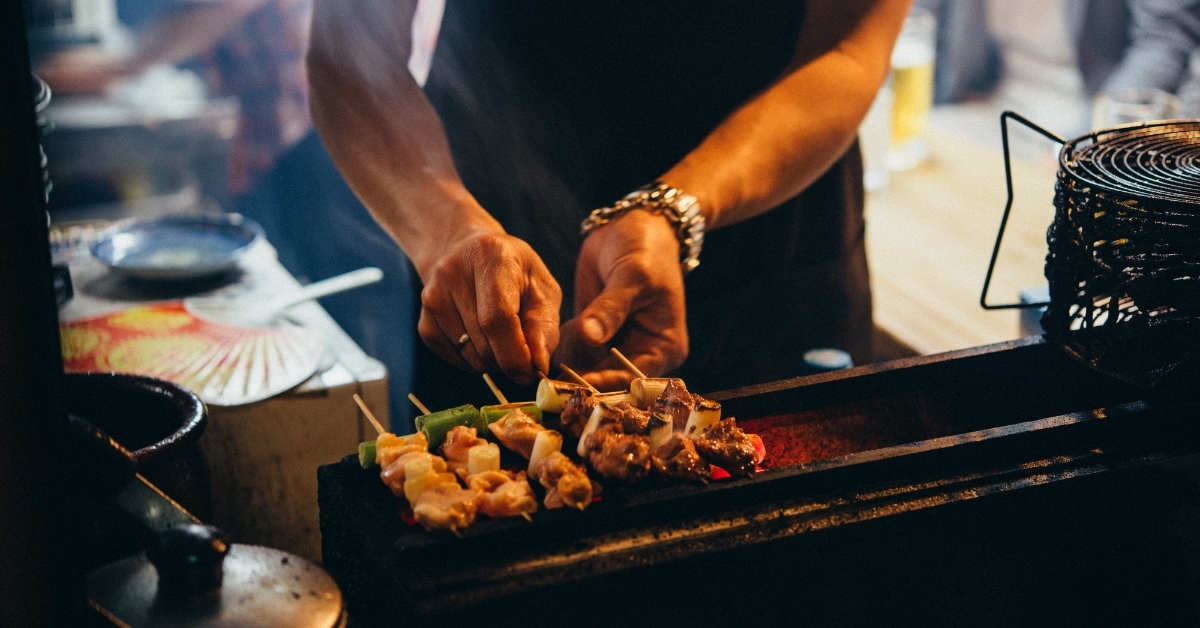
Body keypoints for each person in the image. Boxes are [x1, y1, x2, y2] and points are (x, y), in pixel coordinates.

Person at [309, 0, 910, 416]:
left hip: (768, 237)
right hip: (484, 256)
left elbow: (847, 47)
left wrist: (671, 210)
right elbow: (348, 51)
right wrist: (446, 227)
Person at [36, 0, 418, 416]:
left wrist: (122, 62)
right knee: (316, 305)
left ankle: (392, 435)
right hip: (279, 146)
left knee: (364, 309)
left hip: (324, 141)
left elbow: (196, 23)